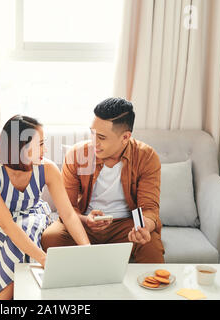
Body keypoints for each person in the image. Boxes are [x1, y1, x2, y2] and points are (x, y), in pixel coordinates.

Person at [0, 115, 90, 300]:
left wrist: (87, 250)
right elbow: (7, 225)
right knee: (17, 238)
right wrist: (43, 258)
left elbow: (68, 213)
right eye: (40, 144)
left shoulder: (48, 169)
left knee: (26, 228)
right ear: (20, 148)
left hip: (33, 216)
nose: (45, 149)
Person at [41, 98, 165, 263]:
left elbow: (149, 209)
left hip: (126, 226)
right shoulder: (77, 155)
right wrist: (87, 220)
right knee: (51, 238)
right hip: (84, 224)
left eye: (101, 137)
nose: (94, 142)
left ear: (125, 137)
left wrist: (143, 228)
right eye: (92, 133)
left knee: (151, 246)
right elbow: (67, 208)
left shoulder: (147, 157)